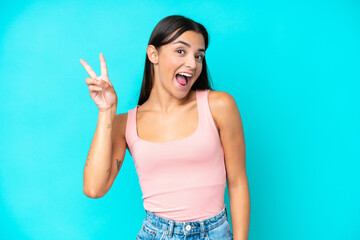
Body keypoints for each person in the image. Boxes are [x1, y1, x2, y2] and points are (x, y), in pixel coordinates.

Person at [80, 15, 250, 240]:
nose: (192, 63)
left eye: (199, 55)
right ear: (153, 54)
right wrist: (106, 111)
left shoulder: (219, 106)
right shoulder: (125, 124)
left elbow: (237, 183)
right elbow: (94, 188)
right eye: (181, 51)